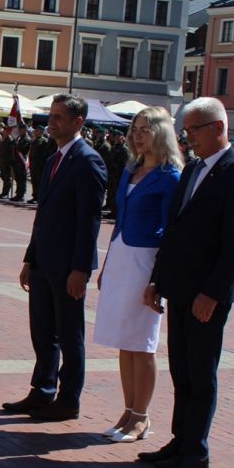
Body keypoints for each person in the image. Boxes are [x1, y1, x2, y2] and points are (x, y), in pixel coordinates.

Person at [140, 97, 234, 468]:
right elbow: (174, 230)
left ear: (219, 128)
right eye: (186, 130)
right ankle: (181, 440)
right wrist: (158, 279)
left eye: (194, 130)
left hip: (207, 292)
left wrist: (213, 292)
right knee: (182, 370)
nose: (188, 137)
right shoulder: (192, 170)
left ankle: (195, 450)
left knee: (200, 371)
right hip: (179, 286)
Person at [3, 94, 106, 421]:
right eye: (51, 115)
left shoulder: (89, 161)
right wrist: (30, 259)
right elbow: (43, 214)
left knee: (69, 334)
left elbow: (89, 220)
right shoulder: (52, 159)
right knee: (43, 331)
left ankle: (68, 399)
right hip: (45, 262)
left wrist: (80, 269)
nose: (52, 121)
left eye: (59, 117)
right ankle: (42, 390)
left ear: (78, 122)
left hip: (67, 267)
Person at [93, 107, 182, 443]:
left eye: (146, 129)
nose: (138, 135)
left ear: (161, 133)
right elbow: (120, 220)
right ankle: (129, 411)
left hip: (146, 262)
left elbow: (171, 232)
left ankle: (142, 417)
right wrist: (108, 264)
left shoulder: (170, 176)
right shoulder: (132, 169)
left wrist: (159, 279)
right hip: (121, 256)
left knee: (143, 342)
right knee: (124, 340)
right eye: (135, 129)